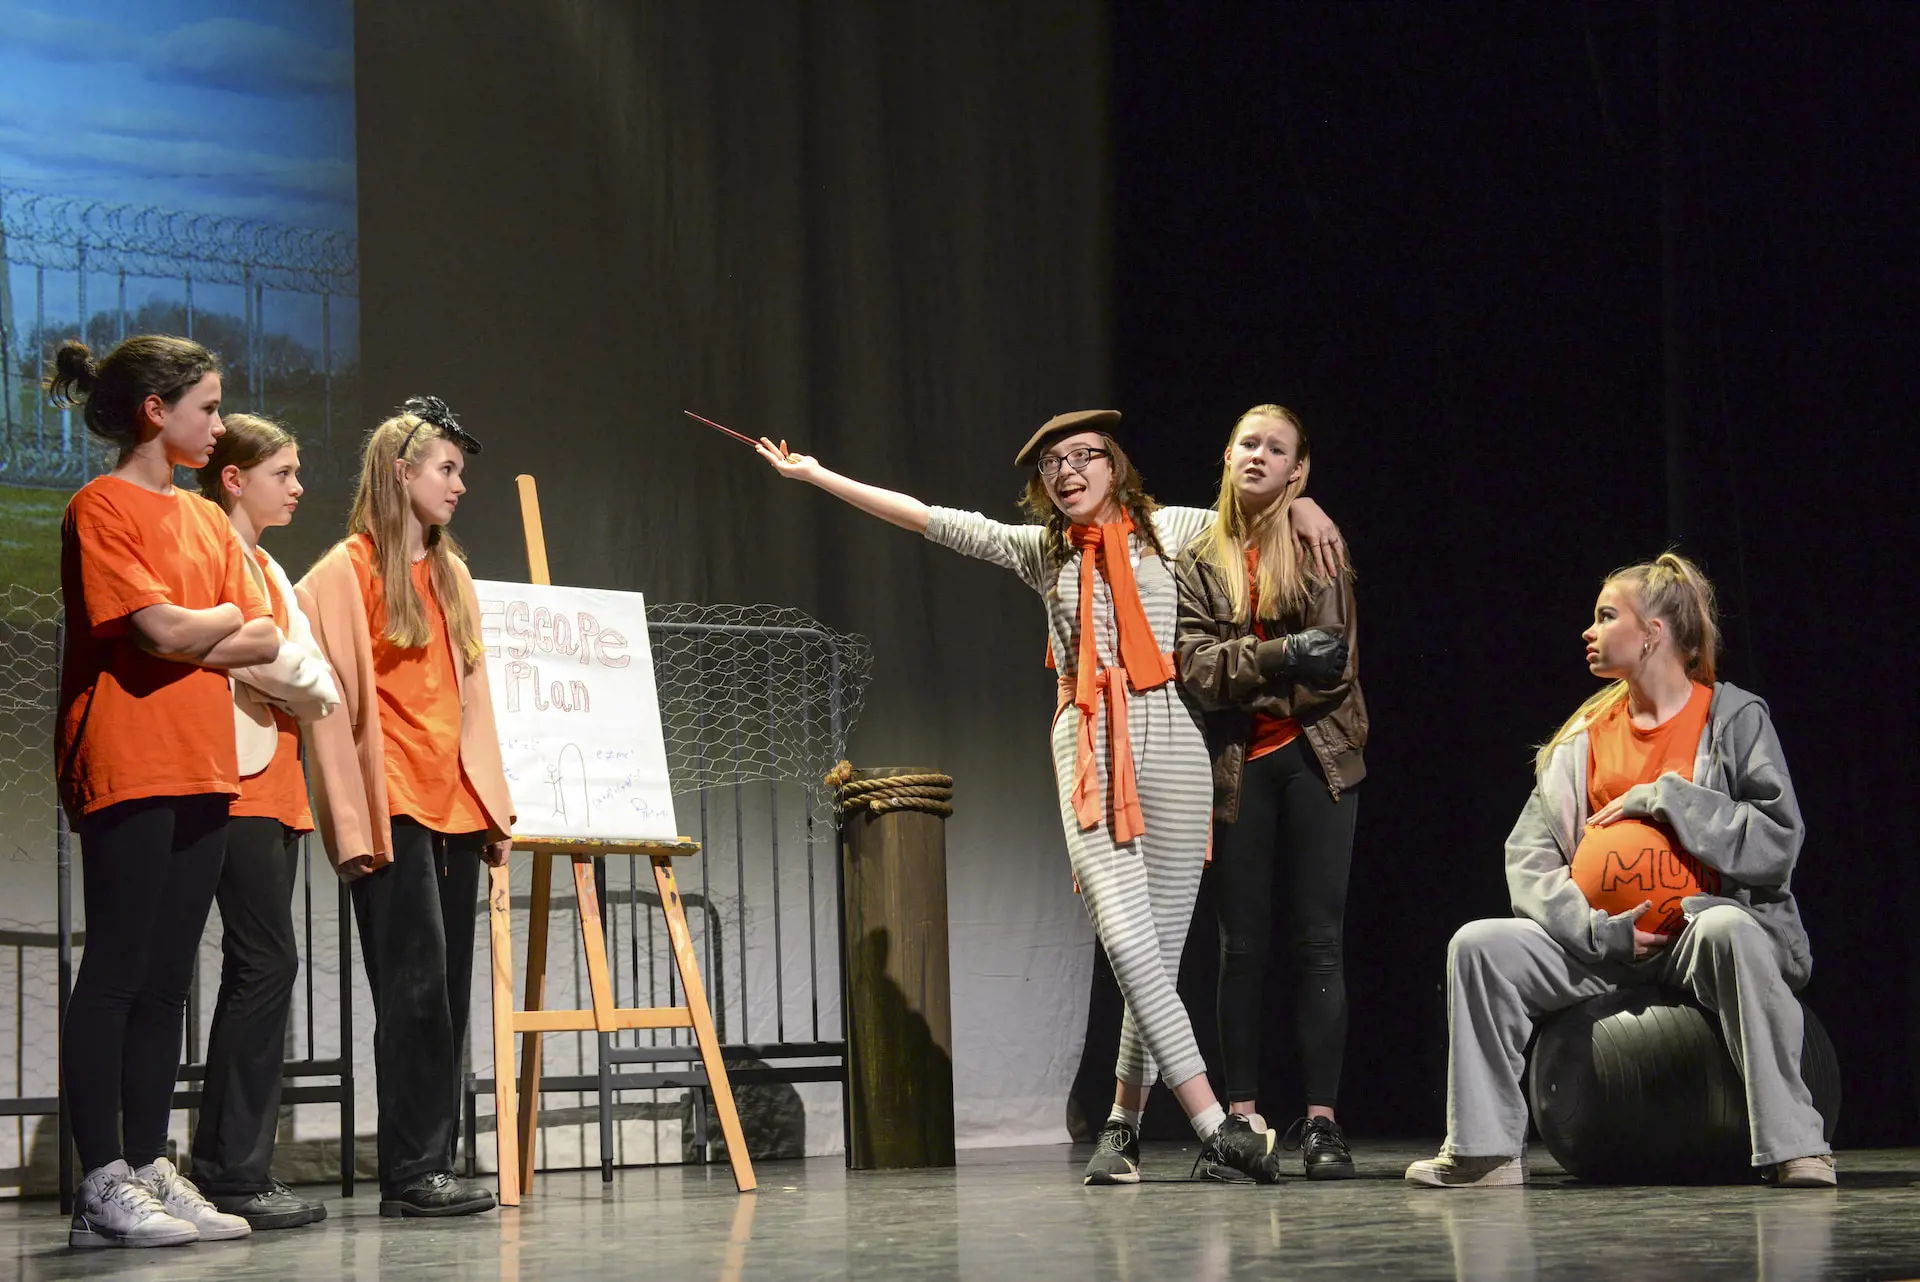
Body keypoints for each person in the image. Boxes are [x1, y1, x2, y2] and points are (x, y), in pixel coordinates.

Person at [753, 409, 1342, 1185]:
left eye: (1081, 457)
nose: (1066, 473)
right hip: (1089, 742)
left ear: (1114, 464)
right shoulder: (1041, 551)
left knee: (1156, 962)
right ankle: (1214, 1125)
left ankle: (1123, 1129)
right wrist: (816, 476)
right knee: (1128, 942)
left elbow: (1254, 509)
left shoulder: (1172, 529)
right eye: (1051, 466)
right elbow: (933, 522)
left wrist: (1303, 501)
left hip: (1173, 742)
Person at [1406, 553, 1833, 1188]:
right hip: (1602, 944)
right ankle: (1485, 1151)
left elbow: (1777, 841)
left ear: (1654, 632)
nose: (1590, 631)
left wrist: (1670, 796)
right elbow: (1528, 858)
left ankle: (1794, 1145)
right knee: (1478, 946)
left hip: (1698, 934)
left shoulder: (1732, 719)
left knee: (1732, 931)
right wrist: (1595, 929)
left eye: (1607, 617)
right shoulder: (1585, 734)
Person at [50, 336, 278, 1248]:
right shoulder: (101, 506)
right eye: (210, 409)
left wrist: (201, 629)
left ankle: (147, 1163)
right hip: (128, 756)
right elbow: (150, 627)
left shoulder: (205, 521)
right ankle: (100, 1183)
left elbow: (261, 636)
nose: (219, 427)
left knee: (168, 980)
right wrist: (206, 625)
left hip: (203, 762)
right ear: (157, 410)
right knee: (115, 969)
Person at [298, 397, 513, 1217]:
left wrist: (492, 804)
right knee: (413, 988)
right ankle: (413, 1172)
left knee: (448, 993)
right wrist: (350, 822)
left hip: (454, 803)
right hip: (393, 804)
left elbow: (473, 699)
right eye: (446, 469)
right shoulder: (341, 573)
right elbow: (329, 709)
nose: (459, 485)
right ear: (401, 471)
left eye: (461, 471)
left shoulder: (452, 574)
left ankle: (432, 1162)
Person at [1174, 404, 1366, 1179]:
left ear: (1299, 470)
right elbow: (1194, 669)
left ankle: (1322, 1124)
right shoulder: (1198, 555)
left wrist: (1246, 672)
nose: (1258, 455)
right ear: (1226, 455)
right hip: (1234, 767)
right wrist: (1283, 652)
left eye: (1275, 448)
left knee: (1318, 941)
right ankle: (1243, 1120)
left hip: (1318, 760)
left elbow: (1336, 670)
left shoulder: (1318, 544)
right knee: (1239, 947)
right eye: (1247, 442)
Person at [188, 414, 340, 1228]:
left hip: (276, 782)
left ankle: (232, 1166)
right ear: (236, 478)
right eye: (283, 471)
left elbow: (312, 672)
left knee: (265, 967)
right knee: (264, 965)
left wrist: (286, 671)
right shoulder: (212, 546)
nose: (298, 485)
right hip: (233, 785)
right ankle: (230, 1171)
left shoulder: (273, 568)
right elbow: (287, 665)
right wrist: (287, 672)